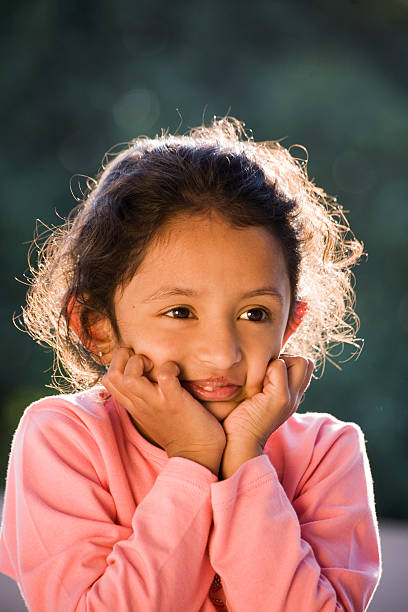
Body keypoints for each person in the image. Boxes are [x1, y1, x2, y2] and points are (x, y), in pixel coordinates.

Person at [0, 116, 381, 611]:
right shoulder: (65, 441)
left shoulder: (326, 455)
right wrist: (194, 458)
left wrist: (245, 460)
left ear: (289, 324)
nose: (222, 353)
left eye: (255, 313)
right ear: (95, 325)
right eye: (180, 312)